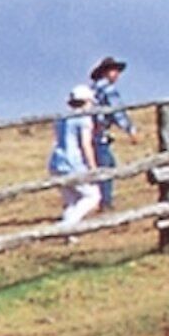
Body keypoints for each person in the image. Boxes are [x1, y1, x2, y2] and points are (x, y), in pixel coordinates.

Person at [50, 84, 107, 229]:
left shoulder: (61, 118)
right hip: (73, 163)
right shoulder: (83, 119)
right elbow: (85, 144)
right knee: (93, 196)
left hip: (56, 162)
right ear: (86, 101)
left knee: (72, 201)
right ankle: (65, 226)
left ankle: (70, 234)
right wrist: (92, 166)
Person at [86, 55, 135, 206]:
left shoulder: (92, 88)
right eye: (114, 71)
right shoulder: (107, 88)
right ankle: (105, 202)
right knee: (106, 168)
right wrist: (130, 129)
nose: (117, 74)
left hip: (91, 134)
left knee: (105, 166)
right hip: (99, 135)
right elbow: (117, 111)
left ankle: (101, 199)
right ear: (105, 72)